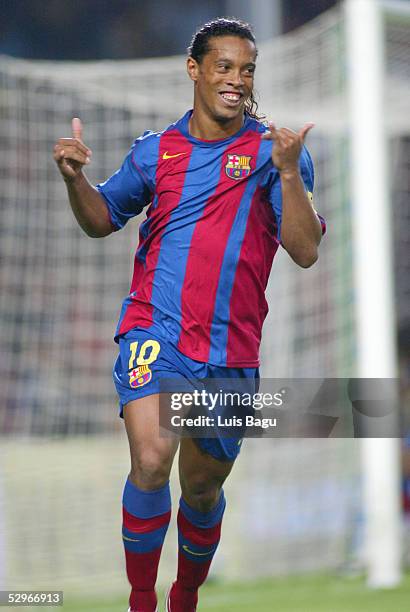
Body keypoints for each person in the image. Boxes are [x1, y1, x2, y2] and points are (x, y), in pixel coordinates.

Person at [53, 17, 325, 612]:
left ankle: (185, 597)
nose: (236, 79)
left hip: (229, 350)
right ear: (194, 69)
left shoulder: (273, 152)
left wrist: (285, 169)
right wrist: (76, 179)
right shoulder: (157, 152)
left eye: (247, 69)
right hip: (155, 330)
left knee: (200, 492)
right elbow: (103, 218)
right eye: (224, 66)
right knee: (152, 457)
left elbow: (305, 251)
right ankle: (143, 601)